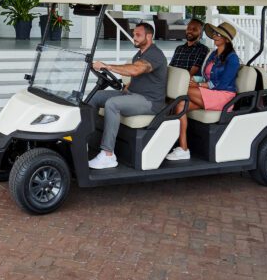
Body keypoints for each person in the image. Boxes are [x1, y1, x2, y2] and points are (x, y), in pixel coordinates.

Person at [88, 22, 168, 170]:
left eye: (138, 35)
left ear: (149, 36)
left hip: (150, 102)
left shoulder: (155, 54)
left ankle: (108, 155)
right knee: (95, 96)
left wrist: (107, 66)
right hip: (134, 94)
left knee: (112, 103)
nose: (134, 38)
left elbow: (137, 70)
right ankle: (88, 140)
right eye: (133, 34)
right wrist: (128, 87)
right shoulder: (140, 53)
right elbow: (139, 76)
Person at [165, 22, 240, 161]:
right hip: (210, 94)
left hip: (224, 96)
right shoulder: (213, 55)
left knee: (183, 90)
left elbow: (222, 84)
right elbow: (204, 74)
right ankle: (183, 148)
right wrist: (196, 79)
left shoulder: (232, 58)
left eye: (219, 34)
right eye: (215, 34)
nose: (216, 36)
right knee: (180, 105)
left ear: (226, 39)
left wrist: (200, 84)